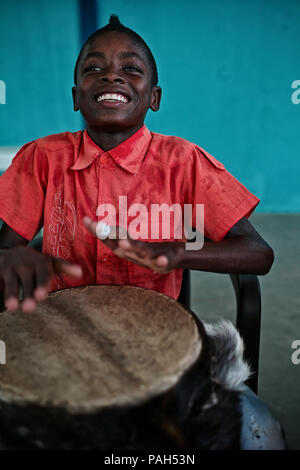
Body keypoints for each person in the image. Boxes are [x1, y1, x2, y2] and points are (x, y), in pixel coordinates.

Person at [0, 15, 274, 314]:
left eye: (131, 69)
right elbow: (7, 248)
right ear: (76, 97)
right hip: (65, 324)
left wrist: (176, 252)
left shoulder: (183, 161)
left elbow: (258, 254)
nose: (111, 76)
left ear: (154, 97)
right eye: (93, 68)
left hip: (154, 330)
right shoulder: (43, 157)